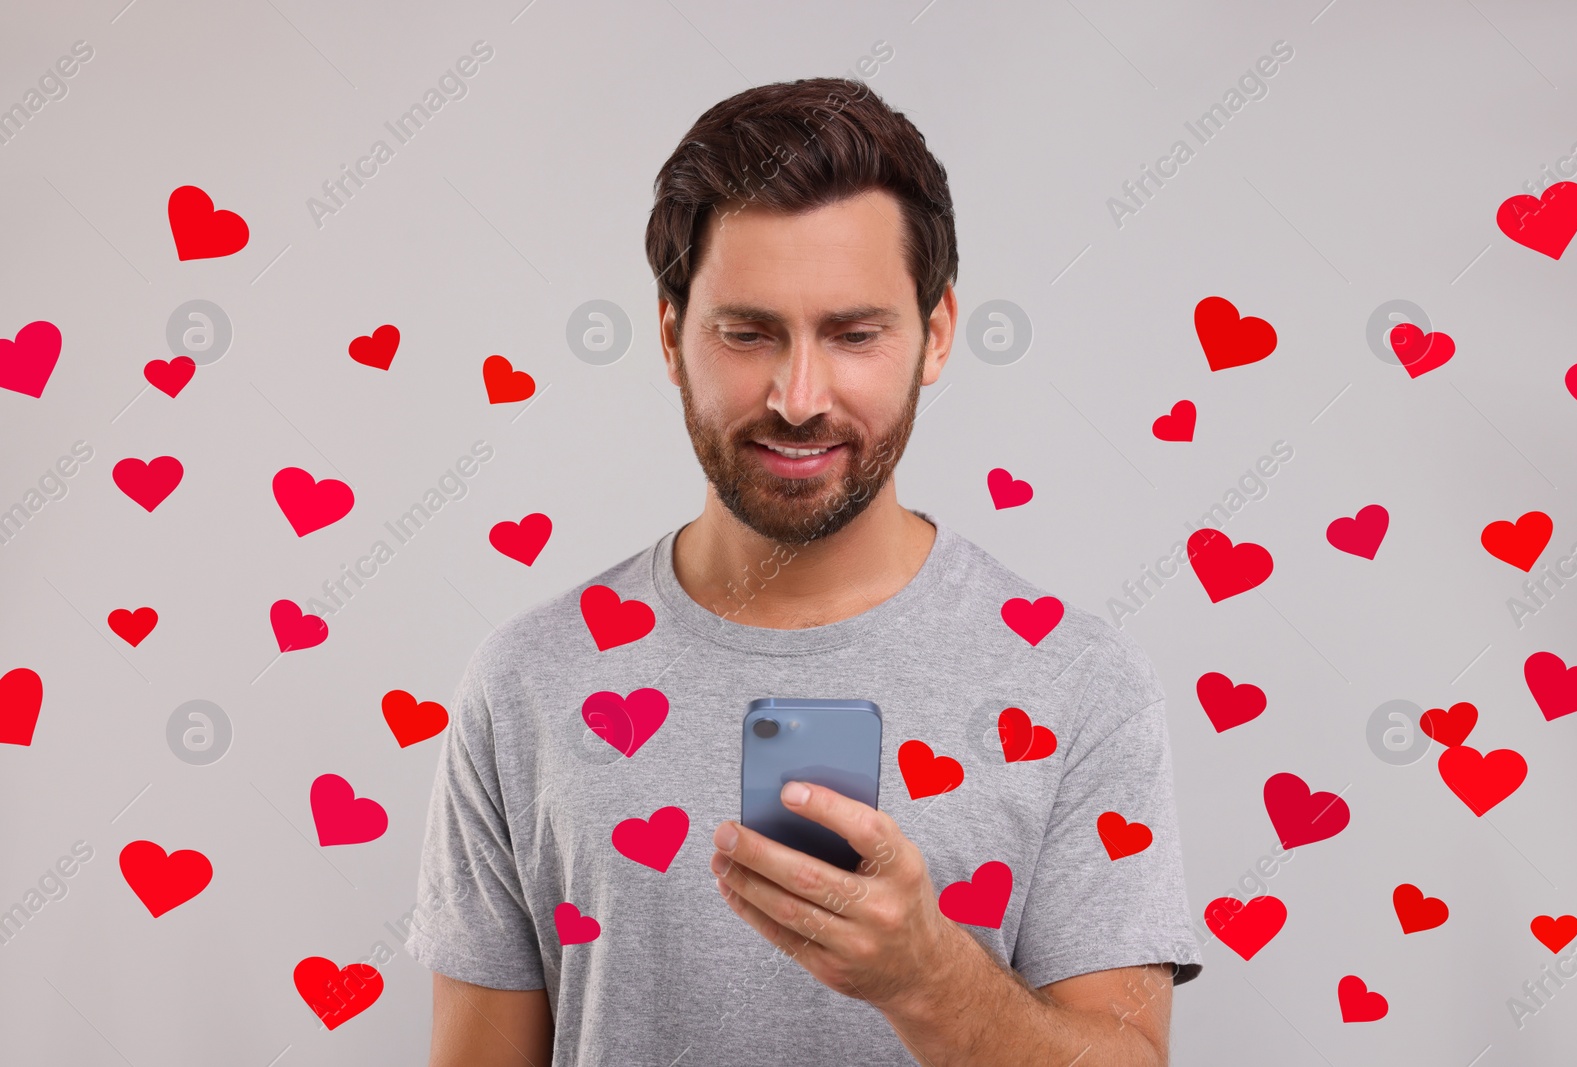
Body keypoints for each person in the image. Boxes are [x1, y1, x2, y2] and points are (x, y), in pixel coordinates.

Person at [406, 74, 1201, 1066]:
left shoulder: (1083, 684)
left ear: (937, 334)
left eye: (853, 333)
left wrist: (926, 978)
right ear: (669, 336)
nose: (797, 395)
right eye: (748, 332)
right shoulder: (525, 683)